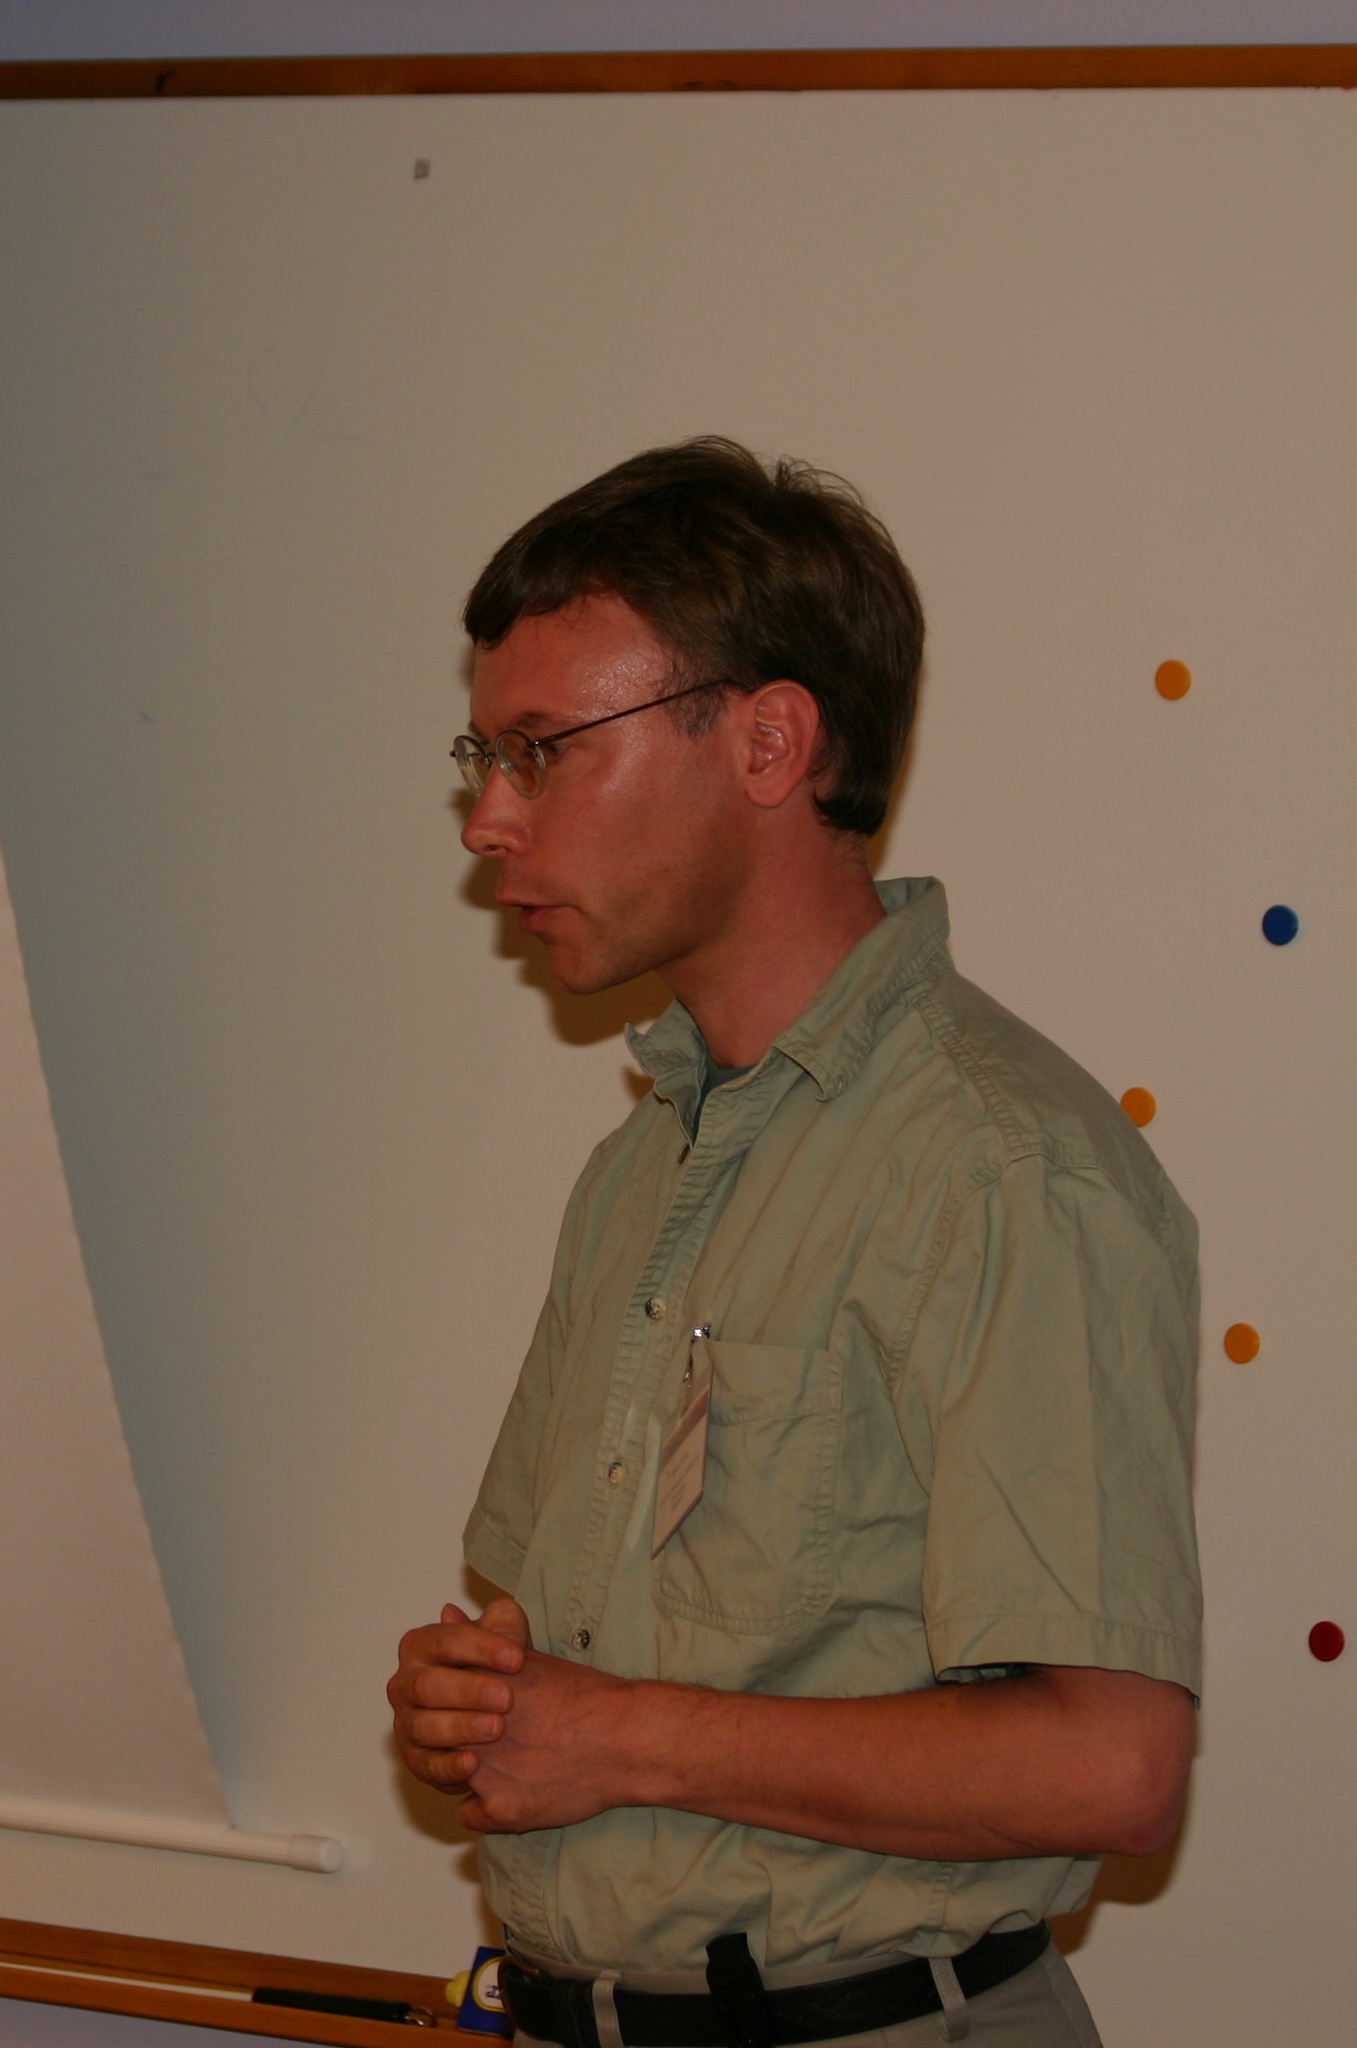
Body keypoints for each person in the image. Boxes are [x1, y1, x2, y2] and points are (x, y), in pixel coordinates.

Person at [388, 439, 1200, 2048]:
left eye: (544, 751)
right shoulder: (640, 1168)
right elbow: (579, 1660)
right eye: (484, 754)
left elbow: (1110, 1766)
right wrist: (480, 1699)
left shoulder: (1004, 1169)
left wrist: (617, 1738)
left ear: (770, 740)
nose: (490, 819)